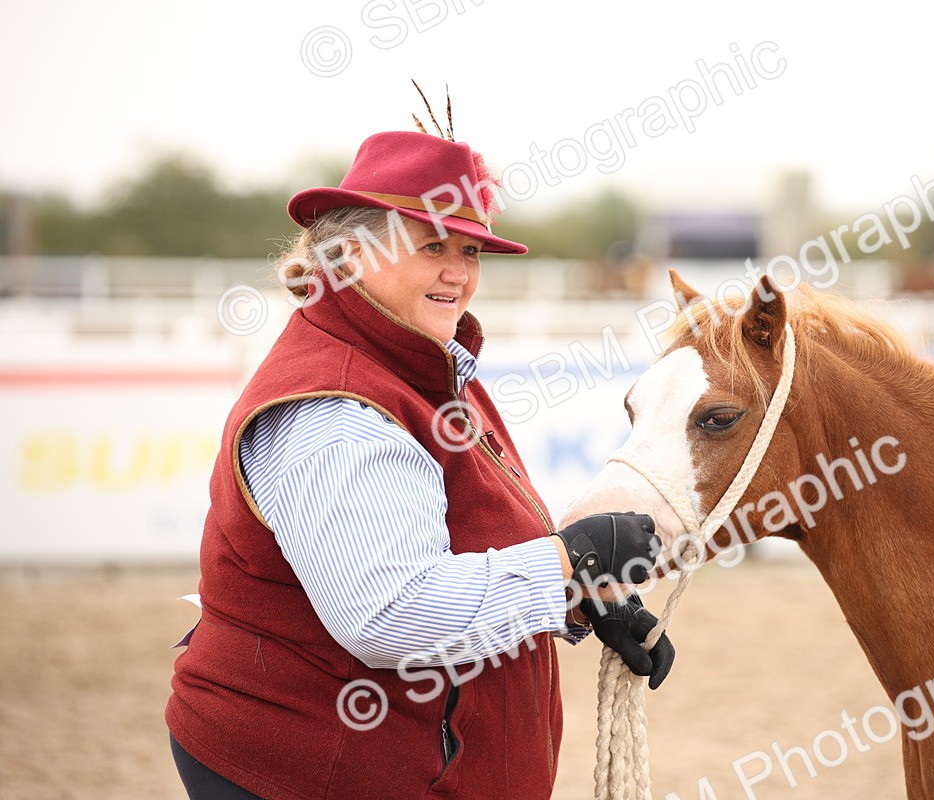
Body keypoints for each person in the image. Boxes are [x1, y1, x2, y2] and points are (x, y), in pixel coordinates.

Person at [165, 123, 674, 800]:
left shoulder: (416, 364)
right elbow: (389, 613)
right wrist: (565, 560)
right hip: (315, 775)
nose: (458, 272)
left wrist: (574, 600)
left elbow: (458, 551)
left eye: (471, 250)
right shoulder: (339, 411)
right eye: (432, 245)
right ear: (347, 256)